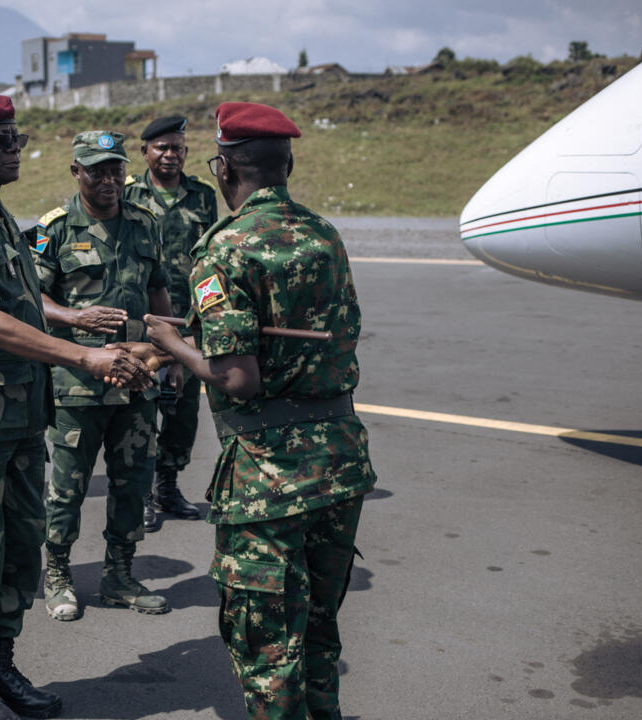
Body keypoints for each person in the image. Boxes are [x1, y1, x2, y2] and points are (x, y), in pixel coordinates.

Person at [0, 96, 152, 720]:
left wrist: (124, 331)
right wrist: (83, 356)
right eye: (0, 139)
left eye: (16, 137)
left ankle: (1, 665)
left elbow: (24, 305)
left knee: (19, 548)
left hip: (18, 414)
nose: (15, 147)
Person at [145, 102, 377, 720]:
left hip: (270, 475)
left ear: (223, 168)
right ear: (287, 164)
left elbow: (237, 378)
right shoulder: (322, 232)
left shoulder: (223, 248)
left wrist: (172, 345)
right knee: (319, 626)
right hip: (339, 462)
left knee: (267, 644)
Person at [31, 131, 174, 622]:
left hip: (137, 377)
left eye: (115, 168)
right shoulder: (53, 229)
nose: (109, 179)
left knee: (132, 482)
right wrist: (75, 318)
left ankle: (119, 575)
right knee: (66, 488)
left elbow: (159, 293)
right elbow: (32, 302)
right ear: (76, 172)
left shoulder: (144, 223)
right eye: (97, 170)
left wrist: (167, 356)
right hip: (77, 383)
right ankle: (58, 574)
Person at [123, 115, 218, 532]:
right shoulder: (128, 194)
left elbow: (209, 258)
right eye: (161, 147)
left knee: (183, 410)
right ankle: (141, 490)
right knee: (141, 406)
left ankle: (167, 484)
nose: (170, 154)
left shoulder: (202, 196)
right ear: (144, 153)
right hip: (142, 319)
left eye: (177, 147)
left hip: (187, 319)